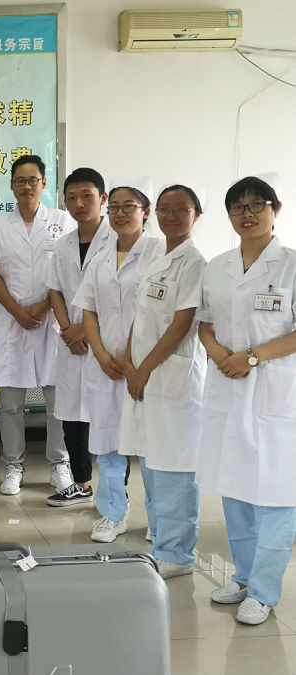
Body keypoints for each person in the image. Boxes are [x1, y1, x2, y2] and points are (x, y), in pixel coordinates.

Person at [197, 174, 296, 626]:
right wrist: (220, 355)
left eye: (257, 205)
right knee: (236, 487)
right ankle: (243, 575)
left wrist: (251, 357)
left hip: (275, 390)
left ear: (276, 210)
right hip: (228, 386)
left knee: (276, 493)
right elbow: (204, 323)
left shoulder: (290, 265)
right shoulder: (217, 266)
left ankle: (264, 589)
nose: (247, 214)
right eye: (238, 207)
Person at [117, 184, 206, 578]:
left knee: (175, 467)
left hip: (171, 379)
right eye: (165, 209)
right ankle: (162, 544)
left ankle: (179, 555)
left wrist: (144, 369)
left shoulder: (194, 263)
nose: (171, 216)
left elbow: (182, 324)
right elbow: (141, 316)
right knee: (152, 462)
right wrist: (128, 359)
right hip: (145, 375)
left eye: (181, 209)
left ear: (196, 215)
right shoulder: (157, 258)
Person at [0, 154, 76, 496]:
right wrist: (17, 311)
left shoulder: (63, 221)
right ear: (12, 186)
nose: (27, 186)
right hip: (11, 323)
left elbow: (68, 270)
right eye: (20, 181)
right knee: (10, 404)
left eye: (33, 180)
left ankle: (59, 464)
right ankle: (14, 465)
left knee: (58, 400)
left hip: (53, 321)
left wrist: (46, 306)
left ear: (44, 183)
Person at [72, 179, 164, 543]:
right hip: (106, 366)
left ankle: (158, 519)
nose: (120, 214)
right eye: (115, 207)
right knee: (108, 444)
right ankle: (112, 514)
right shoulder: (100, 258)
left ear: (146, 212)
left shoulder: (159, 253)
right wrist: (100, 354)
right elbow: (88, 310)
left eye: (130, 207)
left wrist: (127, 356)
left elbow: (152, 310)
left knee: (151, 445)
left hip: (145, 365)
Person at [45, 168, 115, 507]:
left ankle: (116, 489)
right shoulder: (62, 245)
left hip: (105, 341)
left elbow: (118, 296)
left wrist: (84, 330)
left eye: (87, 196)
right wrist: (67, 329)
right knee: (72, 416)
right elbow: (55, 290)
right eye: (71, 198)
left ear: (103, 198)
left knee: (109, 417)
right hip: (72, 341)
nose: (79, 204)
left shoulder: (117, 242)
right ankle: (82, 483)